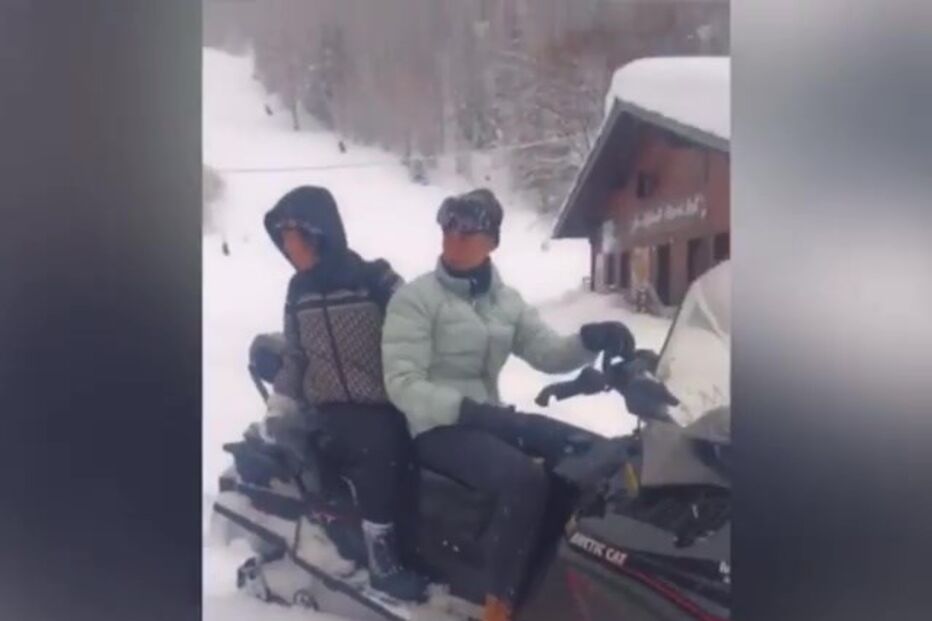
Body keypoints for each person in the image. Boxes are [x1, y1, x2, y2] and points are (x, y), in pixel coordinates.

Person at [381, 188, 636, 621]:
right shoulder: (416, 299)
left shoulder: (505, 302)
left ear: (492, 241)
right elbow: (403, 384)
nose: (454, 237)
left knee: (587, 454)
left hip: (487, 418)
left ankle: (561, 579)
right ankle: (499, 603)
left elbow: (547, 353)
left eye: (468, 229)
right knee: (523, 479)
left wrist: (591, 339)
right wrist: (465, 409)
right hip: (435, 426)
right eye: (448, 226)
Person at [261, 185, 428, 602]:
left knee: (382, 443)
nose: (286, 247)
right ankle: (379, 562)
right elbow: (295, 355)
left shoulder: (374, 279)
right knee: (336, 445)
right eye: (282, 239)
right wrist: (280, 404)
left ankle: (399, 549)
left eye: (290, 237)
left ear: (317, 233)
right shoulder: (297, 291)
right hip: (325, 408)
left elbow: (418, 327)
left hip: (381, 402)